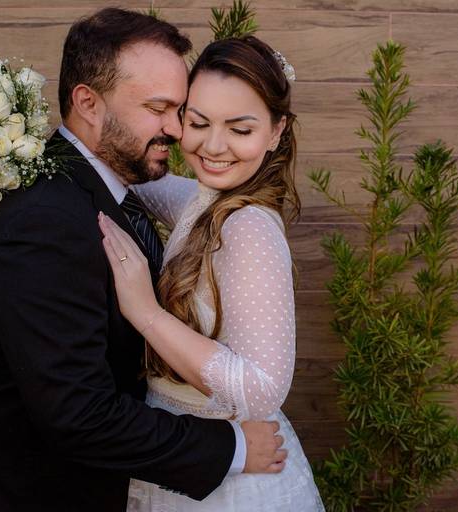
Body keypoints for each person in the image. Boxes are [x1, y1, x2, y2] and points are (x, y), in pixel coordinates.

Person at [0, 9, 286, 512]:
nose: (177, 129)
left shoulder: (110, 185)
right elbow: (79, 414)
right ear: (88, 102)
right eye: (158, 108)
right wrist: (230, 449)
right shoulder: (42, 224)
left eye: (181, 111)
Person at [98, 36, 325, 511]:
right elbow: (144, 180)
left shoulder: (248, 228)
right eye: (198, 123)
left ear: (276, 131)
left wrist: (146, 313)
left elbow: (262, 391)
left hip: (227, 482)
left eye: (239, 129)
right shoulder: (205, 200)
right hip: (183, 453)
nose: (213, 146)